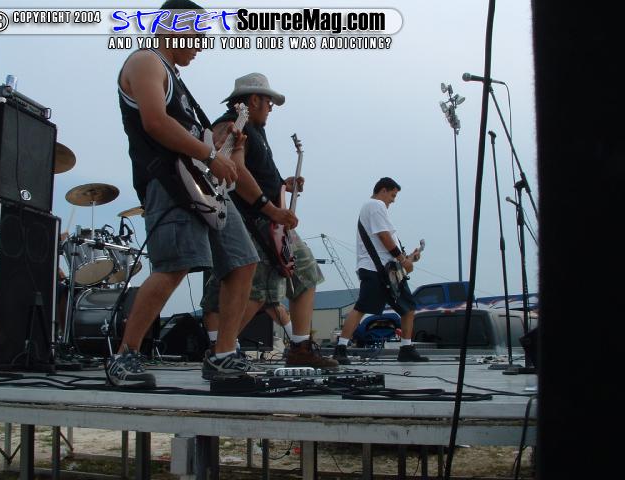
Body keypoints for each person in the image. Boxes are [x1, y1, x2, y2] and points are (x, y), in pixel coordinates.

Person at [110, 0, 260, 387]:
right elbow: (155, 122)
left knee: (243, 261)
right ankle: (125, 356)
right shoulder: (146, 61)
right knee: (173, 267)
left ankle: (223, 355)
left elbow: (200, 141)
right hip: (168, 182)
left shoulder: (177, 81)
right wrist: (210, 155)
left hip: (202, 185)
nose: (201, 44)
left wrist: (229, 148)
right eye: (197, 34)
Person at [200, 72, 338, 370]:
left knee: (305, 273)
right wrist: (271, 209)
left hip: (269, 221)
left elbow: (254, 173)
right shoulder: (232, 125)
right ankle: (220, 352)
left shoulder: (255, 130)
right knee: (256, 292)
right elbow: (235, 172)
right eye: (268, 102)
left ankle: (299, 347)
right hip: (254, 221)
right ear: (253, 100)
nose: (271, 108)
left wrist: (282, 185)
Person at [333, 177, 429, 364]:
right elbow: (384, 236)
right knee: (362, 307)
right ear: (383, 190)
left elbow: (384, 245)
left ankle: (406, 348)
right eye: (393, 195)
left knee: (408, 307)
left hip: (385, 271)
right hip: (376, 269)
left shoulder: (372, 208)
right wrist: (403, 259)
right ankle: (341, 348)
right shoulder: (375, 205)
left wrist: (409, 258)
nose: (393, 201)